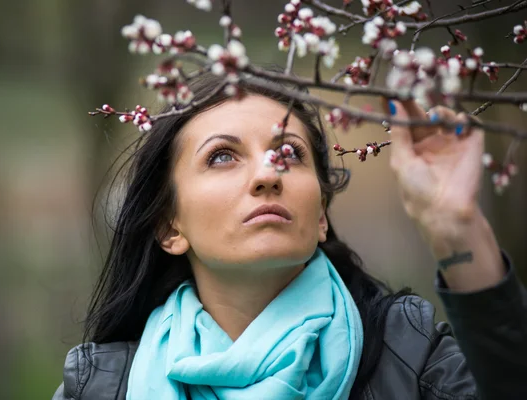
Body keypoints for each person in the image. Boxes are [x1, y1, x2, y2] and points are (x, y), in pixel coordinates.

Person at [52, 70, 527, 400]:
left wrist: (455, 224)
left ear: (321, 214)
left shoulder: (412, 358)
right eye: (222, 156)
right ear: (169, 226)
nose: (267, 174)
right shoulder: (100, 386)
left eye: (289, 154)